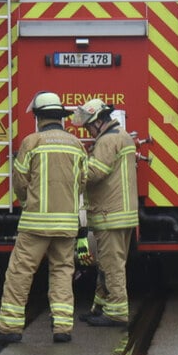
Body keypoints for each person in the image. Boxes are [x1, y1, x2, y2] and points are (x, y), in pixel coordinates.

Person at [0, 91, 86, 344]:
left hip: (35, 224)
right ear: (61, 118)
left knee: (20, 272)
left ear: (38, 117)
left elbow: (19, 181)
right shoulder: (77, 144)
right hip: (67, 224)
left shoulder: (32, 142)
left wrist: (28, 202)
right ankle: (62, 327)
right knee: (62, 271)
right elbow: (83, 182)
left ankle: (9, 327)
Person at [71, 99, 138, 328]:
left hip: (110, 214)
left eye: (90, 126)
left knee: (111, 265)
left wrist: (73, 168)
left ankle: (117, 312)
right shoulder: (122, 135)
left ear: (100, 121)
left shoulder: (107, 140)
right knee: (106, 263)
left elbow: (95, 173)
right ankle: (99, 307)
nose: (89, 131)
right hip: (121, 213)